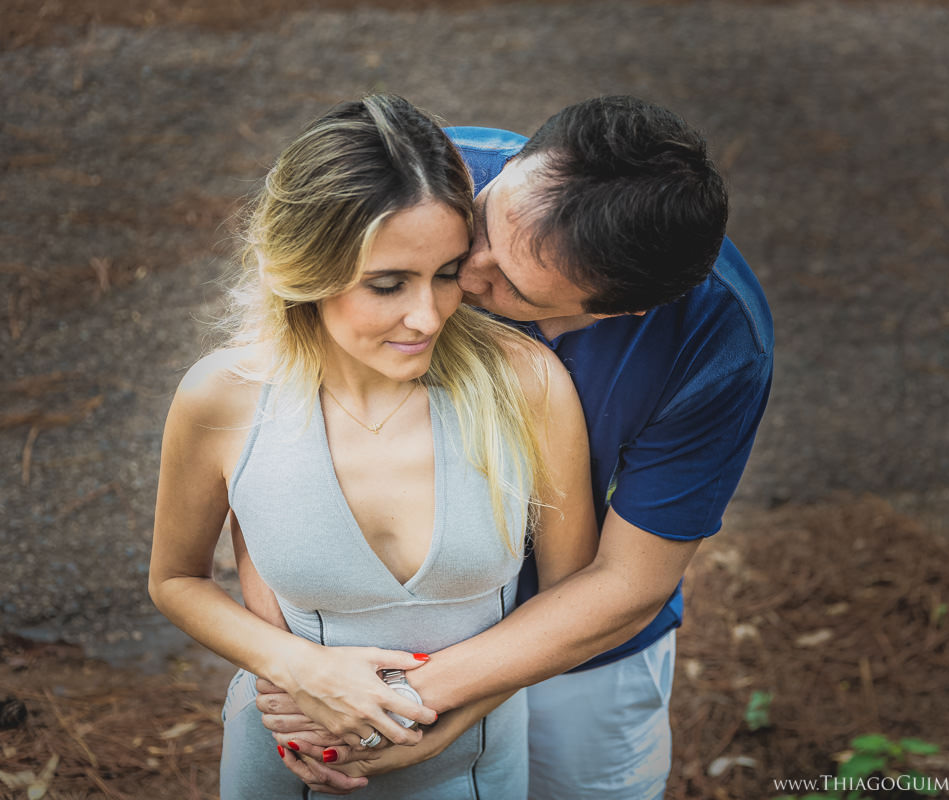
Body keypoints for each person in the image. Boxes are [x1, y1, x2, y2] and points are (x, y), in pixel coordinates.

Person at [253, 95, 774, 799]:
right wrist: (287, 660)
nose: (462, 278)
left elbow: (629, 581)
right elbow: (265, 429)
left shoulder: (718, 341)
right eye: (485, 229)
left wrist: (416, 699)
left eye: (510, 288)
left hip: (579, 648)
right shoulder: (423, 180)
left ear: (612, 311)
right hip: (368, 626)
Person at [147, 94, 597, 799]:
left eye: (447, 273)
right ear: (307, 271)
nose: (429, 315)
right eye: (388, 284)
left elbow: (573, 602)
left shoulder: (527, 383)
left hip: (473, 771)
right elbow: (175, 580)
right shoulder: (221, 399)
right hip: (285, 764)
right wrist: (301, 669)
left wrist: (447, 715)